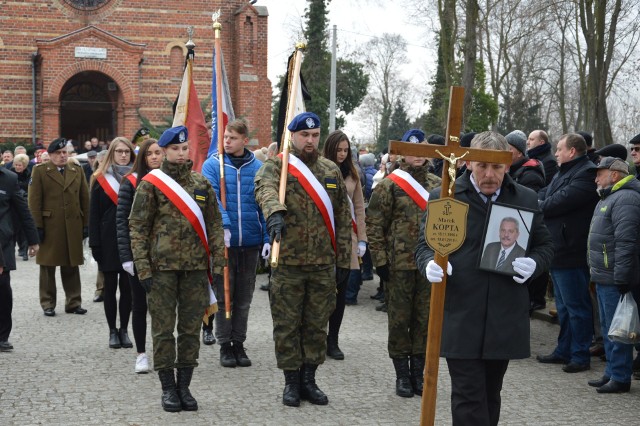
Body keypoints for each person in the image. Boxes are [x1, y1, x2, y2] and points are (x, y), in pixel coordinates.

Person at [415, 131, 554, 425]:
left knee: (491, 394)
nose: (490, 175)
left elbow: (546, 245)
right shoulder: (446, 196)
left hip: (503, 313)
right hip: (461, 311)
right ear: (468, 164)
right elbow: (425, 246)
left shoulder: (525, 198)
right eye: (482, 166)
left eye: (497, 168)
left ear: (508, 165)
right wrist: (429, 264)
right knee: (468, 396)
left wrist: (535, 263)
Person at [254, 112, 352, 407]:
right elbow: (264, 189)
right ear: (292, 136)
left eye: (314, 135)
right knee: (287, 325)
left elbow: (343, 219)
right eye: (304, 136)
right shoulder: (278, 167)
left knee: (315, 326)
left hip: (322, 263)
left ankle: (309, 379)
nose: (310, 141)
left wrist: (344, 262)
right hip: (289, 265)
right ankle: (291, 383)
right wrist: (274, 213)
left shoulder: (330, 170)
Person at [129, 125, 224, 412]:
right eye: (175, 149)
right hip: (161, 270)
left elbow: (215, 224)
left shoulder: (201, 184)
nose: (181, 153)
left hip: (195, 269)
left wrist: (218, 262)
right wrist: (143, 269)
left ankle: (185, 386)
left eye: (185, 148)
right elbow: (138, 227)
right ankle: (168, 388)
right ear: (165, 152)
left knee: (189, 329)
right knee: (162, 330)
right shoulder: (151, 184)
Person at [367, 128, 441, 398]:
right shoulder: (389, 184)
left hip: (429, 265)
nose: (418, 155)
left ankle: (418, 374)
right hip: (398, 266)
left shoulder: (437, 184)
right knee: (399, 321)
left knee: (424, 321)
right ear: (401, 154)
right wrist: (380, 261)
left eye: (422, 149)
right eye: (412, 150)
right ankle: (402, 376)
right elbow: (374, 225)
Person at [201, 119, 269, 368]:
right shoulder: (213, 165)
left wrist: (266, 238)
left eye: (232, 138)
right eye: (225, 137)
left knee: (243, 297)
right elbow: (212, 198)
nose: (227, 141)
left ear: (244, 140)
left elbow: (263, 203)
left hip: (249, 242)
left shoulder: (258, 167)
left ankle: (239, 342)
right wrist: (225, 225)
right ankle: (225, 345)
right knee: (223, 296)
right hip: (225, 243)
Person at [537, 133, 599, 373]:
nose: (556, 154)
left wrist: (541, 204)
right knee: (563, 306)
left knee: (577, 306)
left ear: (572, 151)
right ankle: (564, 350)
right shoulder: (564, 171)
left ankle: (580, 355)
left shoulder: (586, 173)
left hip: (572, 250)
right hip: (558, 249)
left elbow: (555, 203)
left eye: (560, 149)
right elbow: (544, 195)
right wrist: (542, 202)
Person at [586, 157, 640, 393]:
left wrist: (622, 276)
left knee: (617, 328)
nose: (596, 177)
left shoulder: (626, 198)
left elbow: (626, 242)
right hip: (603, 274)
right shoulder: (608, 197)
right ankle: (611, 372)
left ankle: (620, 376)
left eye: (600, 173)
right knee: (609, 326)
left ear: (615, 174)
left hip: (613, 276)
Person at [28, 138, 90, 317]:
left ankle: (74, 302)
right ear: (51, 155)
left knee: (71, 264)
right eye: (59, 153)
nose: (63, 156)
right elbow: (34, 201)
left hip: (72, 224)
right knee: (48, 266)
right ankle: (48, 303)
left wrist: (86, 224)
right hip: (50, 225)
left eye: (65, 152)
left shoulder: (76, 170)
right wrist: (36, 227)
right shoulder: (39, 171)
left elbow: (85, 199)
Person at [116, 138, 163, 374]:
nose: (154, 157)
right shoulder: (131, 182)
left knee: (163, 307)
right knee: (140, 305)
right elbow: (122, 222)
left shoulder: (170, 182)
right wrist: (126, 256)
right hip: (138, 254)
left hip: (164, 254)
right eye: (149, 154)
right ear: (142, 158)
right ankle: (141, 354)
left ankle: (164, 352)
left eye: (158, 153)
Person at [321, 130, 368, 358]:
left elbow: (359, 208)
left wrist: (362, 240)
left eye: (345, 150)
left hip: (347, 240)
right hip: (323, 239)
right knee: (321, 292)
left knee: (340, 295)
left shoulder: (353, 174)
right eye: (338, 150)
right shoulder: (318, 171)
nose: (342, 154)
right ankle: (317, 337)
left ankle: (333, 340)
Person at [89, 137, 136, 350]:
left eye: (126, 151)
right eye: (119, 151)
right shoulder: (100, 179)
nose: (123, 155)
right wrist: (95, 244)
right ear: (111, 153)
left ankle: (124, 329)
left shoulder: (138, 178)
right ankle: (112, 331)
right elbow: (94, 215)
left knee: (127, 288)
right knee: (109, 288)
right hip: (107, 241)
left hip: (130, 240)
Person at [0, 165, 39, 351]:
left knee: (3, 290)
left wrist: (33, 240)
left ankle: (2, 336)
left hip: (3, 243)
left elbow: (23, 210)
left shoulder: (9, 178)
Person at [10, 154, 31, 261]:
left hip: (24, 203)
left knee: (24, 228)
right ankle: (10, 251)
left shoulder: (29, 174)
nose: (18, 167)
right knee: (13, 229)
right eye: (16, 165)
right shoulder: (10, 174)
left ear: (25, 165)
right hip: (12, 205)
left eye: (20, 165)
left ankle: (24, 250)